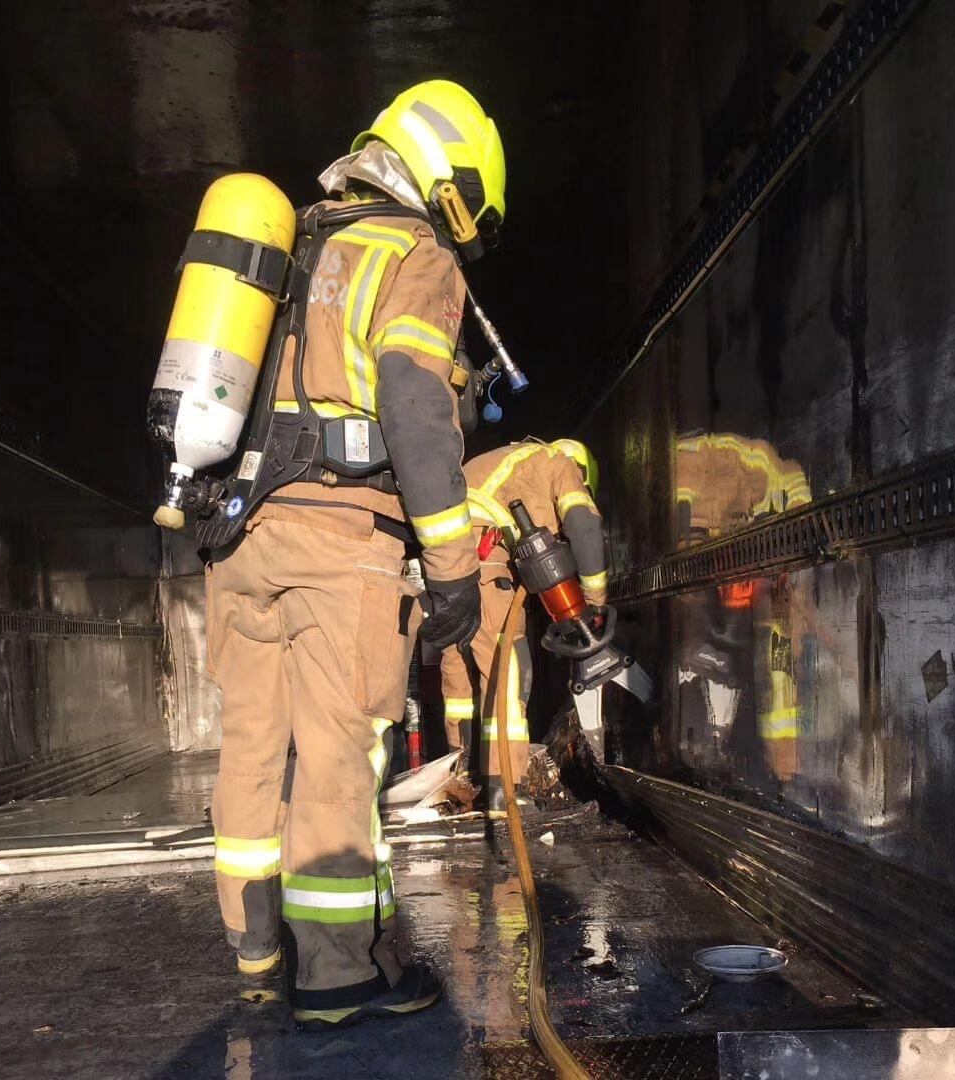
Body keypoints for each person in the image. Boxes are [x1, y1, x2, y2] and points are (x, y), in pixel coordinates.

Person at [205, 79, 506, 1030]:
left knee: (253, 746)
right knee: (340, 755)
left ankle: (257, 952)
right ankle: (336, 978)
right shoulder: (413, 251)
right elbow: (416, 401)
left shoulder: (290, 246)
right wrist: (454, 568)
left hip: (241, 539)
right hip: (341, 546)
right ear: (448, 178)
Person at [440, 439, 607, 811]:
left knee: (461, 675)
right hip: (484, 567)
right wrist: (594, 600)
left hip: (445, 570)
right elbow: (583, 528)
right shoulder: (558, 463)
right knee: (511, 672)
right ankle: (506, 790)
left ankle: (465, 773)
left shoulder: (508, 464)